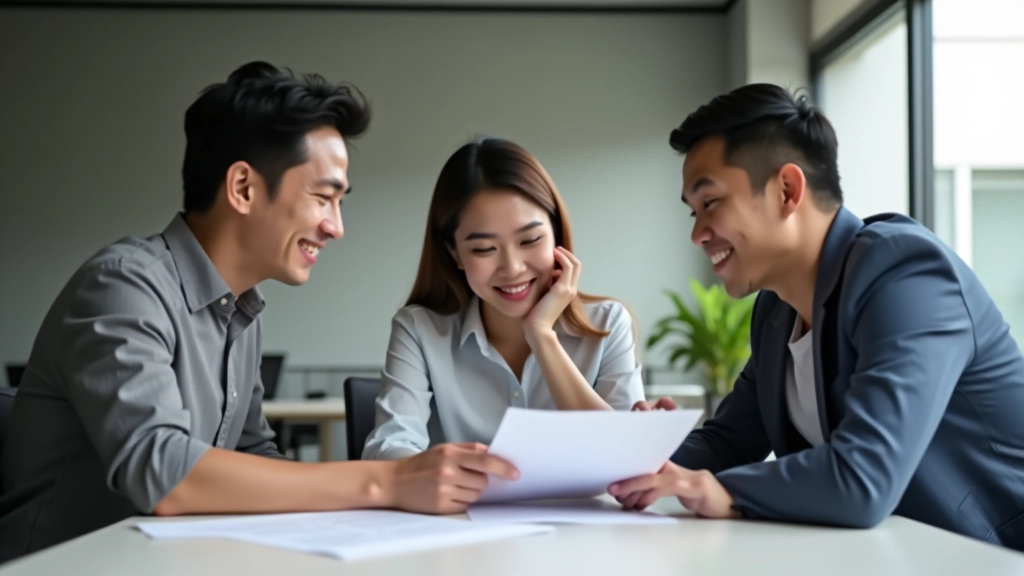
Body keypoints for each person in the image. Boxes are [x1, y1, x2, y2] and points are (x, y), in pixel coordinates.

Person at [0, 62, 517, 562]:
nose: (336, 226)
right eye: (323, 197)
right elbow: (163, 473)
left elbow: (252, 455)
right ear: (243, 188)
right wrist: (387, 481)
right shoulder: (122, 284)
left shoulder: (241, 309)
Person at [610, 83, 1024, 551]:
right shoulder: (776, 309)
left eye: (710, 204)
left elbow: (864, 477)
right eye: (692, 212)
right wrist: (643, 451)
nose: (698, 234)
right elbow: (728, 443)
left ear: (787, 190)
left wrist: (722, 492)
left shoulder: (906, 276)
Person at [362, 137, 644, 460]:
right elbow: (386, 450)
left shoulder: (609, 325)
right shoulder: (419, 330)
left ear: (556, 233)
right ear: (454, 253)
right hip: (459, 511)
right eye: (484, 249)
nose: (512, 268)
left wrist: (541, 336)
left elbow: (628, 457)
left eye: (531, 240)